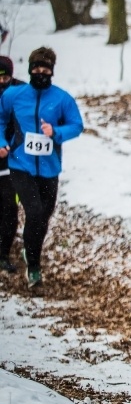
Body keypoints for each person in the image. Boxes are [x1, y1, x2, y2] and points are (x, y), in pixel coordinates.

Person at [0, 47, 84, 288]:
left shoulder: (61, 98)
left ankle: (31, 249)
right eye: (36, 68)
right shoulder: (14, 95)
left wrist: (56, 132)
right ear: (29, 69)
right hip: (20, 164)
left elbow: (76, 125)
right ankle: (34, 268)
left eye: (45, 69)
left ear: (52, 71)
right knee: (34, 211)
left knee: (43, 218)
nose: (41, 72)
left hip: (49, 168)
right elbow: (1, 118)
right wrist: (2, 143)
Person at [0, 56, 23, 274]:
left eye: (5, 77)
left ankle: (3, 254)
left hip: (11, 162)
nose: (1, 82)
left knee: (9, 208)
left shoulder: (21, 91)